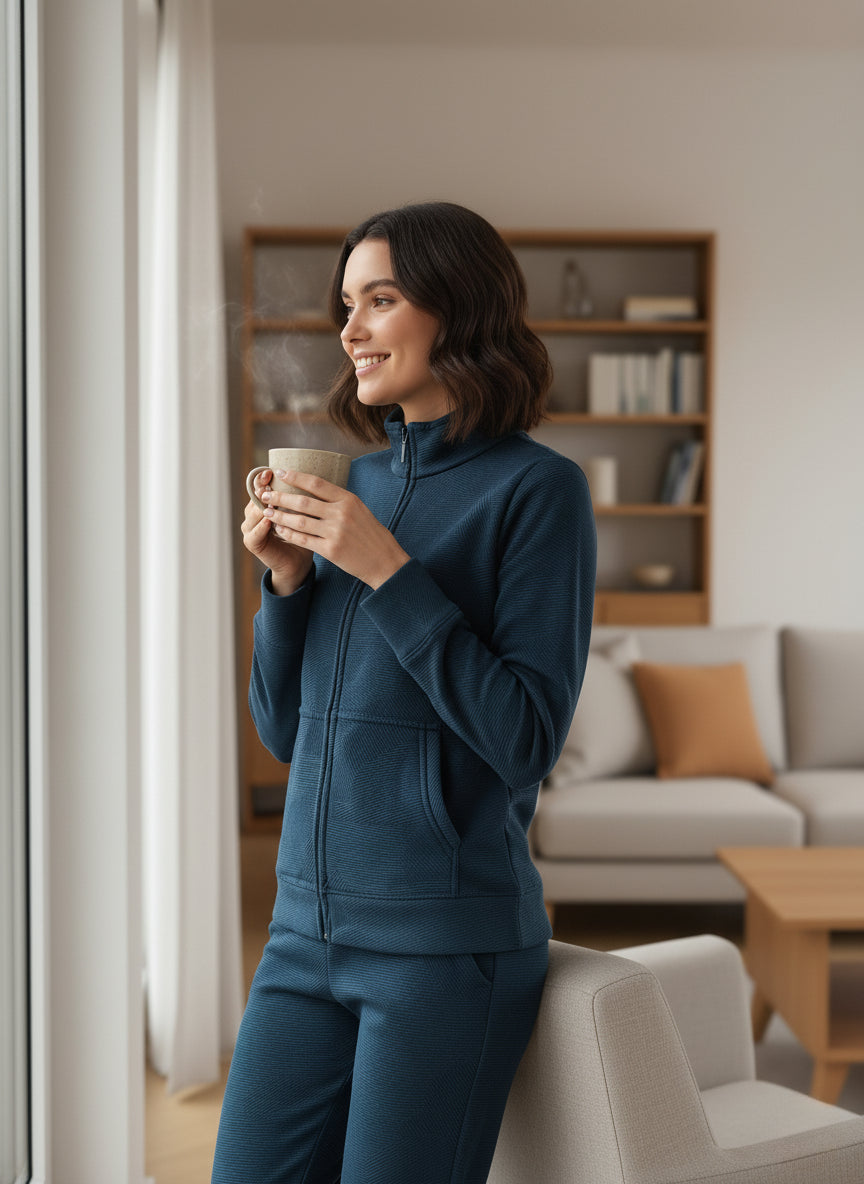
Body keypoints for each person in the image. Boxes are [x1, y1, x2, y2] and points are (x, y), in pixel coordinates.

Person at [212, 201, 597, 1184]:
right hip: (302, 931)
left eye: (380, 299)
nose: (349, 330)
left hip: (441, 949)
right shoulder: (358, 486)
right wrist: (288, 586)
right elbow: (286, 732)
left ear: (457, 310)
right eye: (348, 304)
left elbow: (524, 737)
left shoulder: (535, 492)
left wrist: (386, 570)